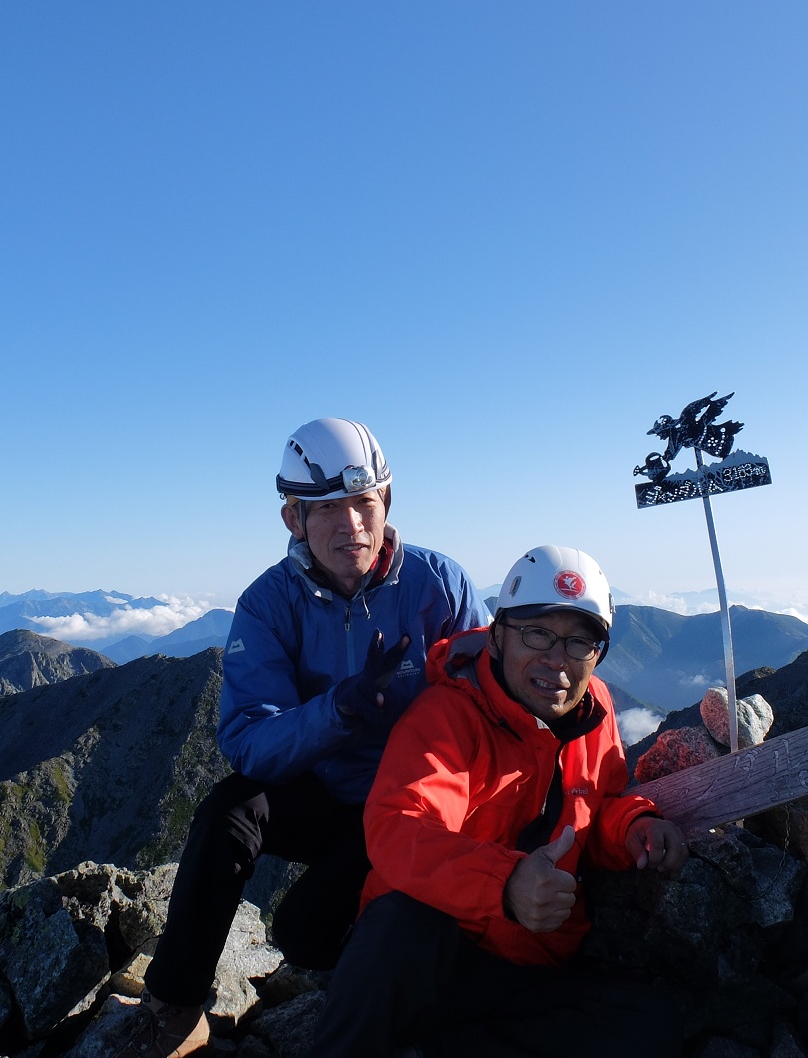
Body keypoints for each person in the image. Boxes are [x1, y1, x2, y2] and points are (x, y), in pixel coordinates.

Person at [119, 417, 488, 1058]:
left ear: (387, 502)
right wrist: (338, 710)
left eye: (364, 502)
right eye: (328, 509)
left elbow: (489, 701)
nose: (353, 525)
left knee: (303, 936)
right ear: (294, 519)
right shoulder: (269, 603)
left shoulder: (438, 586)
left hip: (413, 808)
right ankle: (175, 1005)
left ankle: (407, 965)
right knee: (229, 812)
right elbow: (248, 740)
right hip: (328, 795)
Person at [307, 545, 688, 1058]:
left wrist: (633, 828)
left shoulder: (593, 711)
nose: (557, 659)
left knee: (649, 1023)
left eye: (580, 642)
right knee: (400, 921)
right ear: (498, 635)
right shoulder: (449, 715)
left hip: (530, 965)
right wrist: (505, 884)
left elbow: (598, 805)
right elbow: (401, 827)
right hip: (436, 955)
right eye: (537, 633)